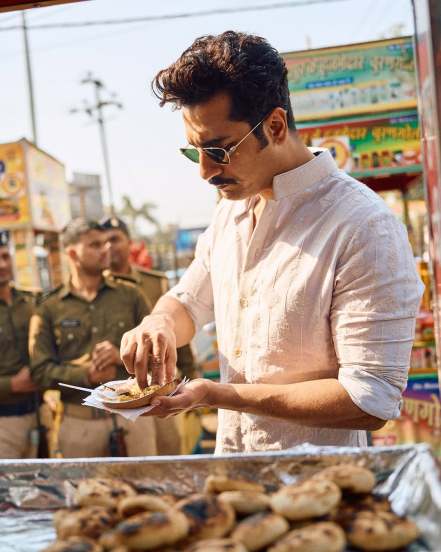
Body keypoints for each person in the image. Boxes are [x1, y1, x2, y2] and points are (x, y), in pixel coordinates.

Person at [120, 31, 424, 454]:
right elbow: (189, 301)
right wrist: (159, 324)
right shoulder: (231, 211)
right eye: (195, 152)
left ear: (275, 126)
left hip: (319, 496)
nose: (205, 172)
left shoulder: (362, 226)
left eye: (220, 151)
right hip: (232, 482)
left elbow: (368, 399)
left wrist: (215, 394)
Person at [29, 219, 157, 458]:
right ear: (72, 254)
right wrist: (86, 374)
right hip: (79, 426)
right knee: (85, 494)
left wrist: (122, 356)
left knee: (147, 490)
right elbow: (40, 372)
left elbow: (159, 352)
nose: (105, 249)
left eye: (106, 243)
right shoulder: (49, 308)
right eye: (95, 245)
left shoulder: (131, 295)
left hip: (133, 419)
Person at [101, 215, 195, 454]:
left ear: (129, 241)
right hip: (126, 389)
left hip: (162, 382)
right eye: (103, 241)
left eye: (115, 239)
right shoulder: (99, 290)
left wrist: (190, 373)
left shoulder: (154, 283)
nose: (109, 246)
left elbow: (175, 331)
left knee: (169, 450)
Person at [0, 230, 40, 458]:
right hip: (3, 423)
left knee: (43, 493)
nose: (2, 264)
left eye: (6, 256)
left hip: (37, 417)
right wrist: (11, 384)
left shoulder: (31, 302)